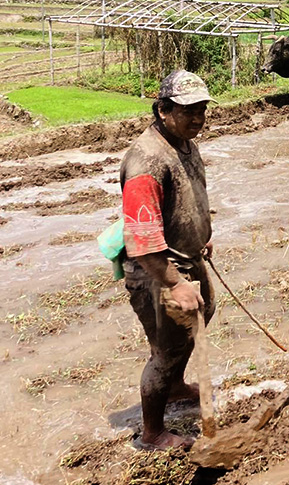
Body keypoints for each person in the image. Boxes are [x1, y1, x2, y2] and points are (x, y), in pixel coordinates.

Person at [120, 70, 217, 450]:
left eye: (202, 110)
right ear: (162, 109)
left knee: (200, 318)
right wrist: (175, 283)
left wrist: (201, 236)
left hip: (187, 259)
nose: (198, 118)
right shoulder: (146, 161)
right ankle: (152, 433)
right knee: (166, 350)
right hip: (158, 272)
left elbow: (185, 199)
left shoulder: (185, 143)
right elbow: (142, 243)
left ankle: (175, 386)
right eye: (188, 110)